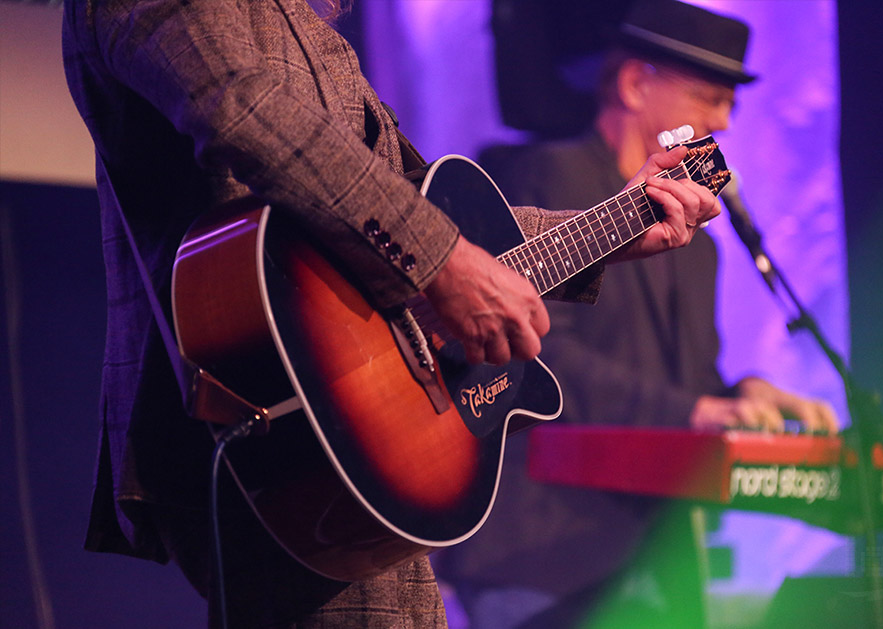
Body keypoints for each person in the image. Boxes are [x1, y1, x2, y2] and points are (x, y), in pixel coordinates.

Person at [61, 0, 719, 627]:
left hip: (378, 429)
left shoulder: (311, 33)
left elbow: (431, 224)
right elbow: (246, 111)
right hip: (283, 425)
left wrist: (608, 228)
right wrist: (442, 264)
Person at [435, 1, 840, 627]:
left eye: (730, 104)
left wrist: (743, 393)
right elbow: (542, 353)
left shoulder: (697, 245)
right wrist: (700, 412)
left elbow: (685, 385)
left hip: (649, 548)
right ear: (632, 83)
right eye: (708, 97)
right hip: (539, 549)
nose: (725, 122)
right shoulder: (545, 175)